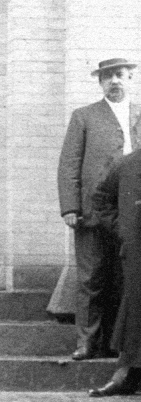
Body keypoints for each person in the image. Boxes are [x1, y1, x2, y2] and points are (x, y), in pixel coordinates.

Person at [58, 58, 140, 360]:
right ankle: (87, 342)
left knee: (127, 277)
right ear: (100, 83)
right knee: (91, 278)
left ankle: (119, 345)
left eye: (120, 75)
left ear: (130, 78)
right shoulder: (84, 117)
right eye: (108, 77)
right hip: (92, 212)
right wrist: (70, 206)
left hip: (133, 213)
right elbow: (69, 164)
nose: (114, 81)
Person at [87, 148, 141, 396]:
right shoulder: (126, 164)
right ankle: (125, 375)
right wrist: (123, 229)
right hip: (137, 251)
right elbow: (99, 197)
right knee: (135, 311)